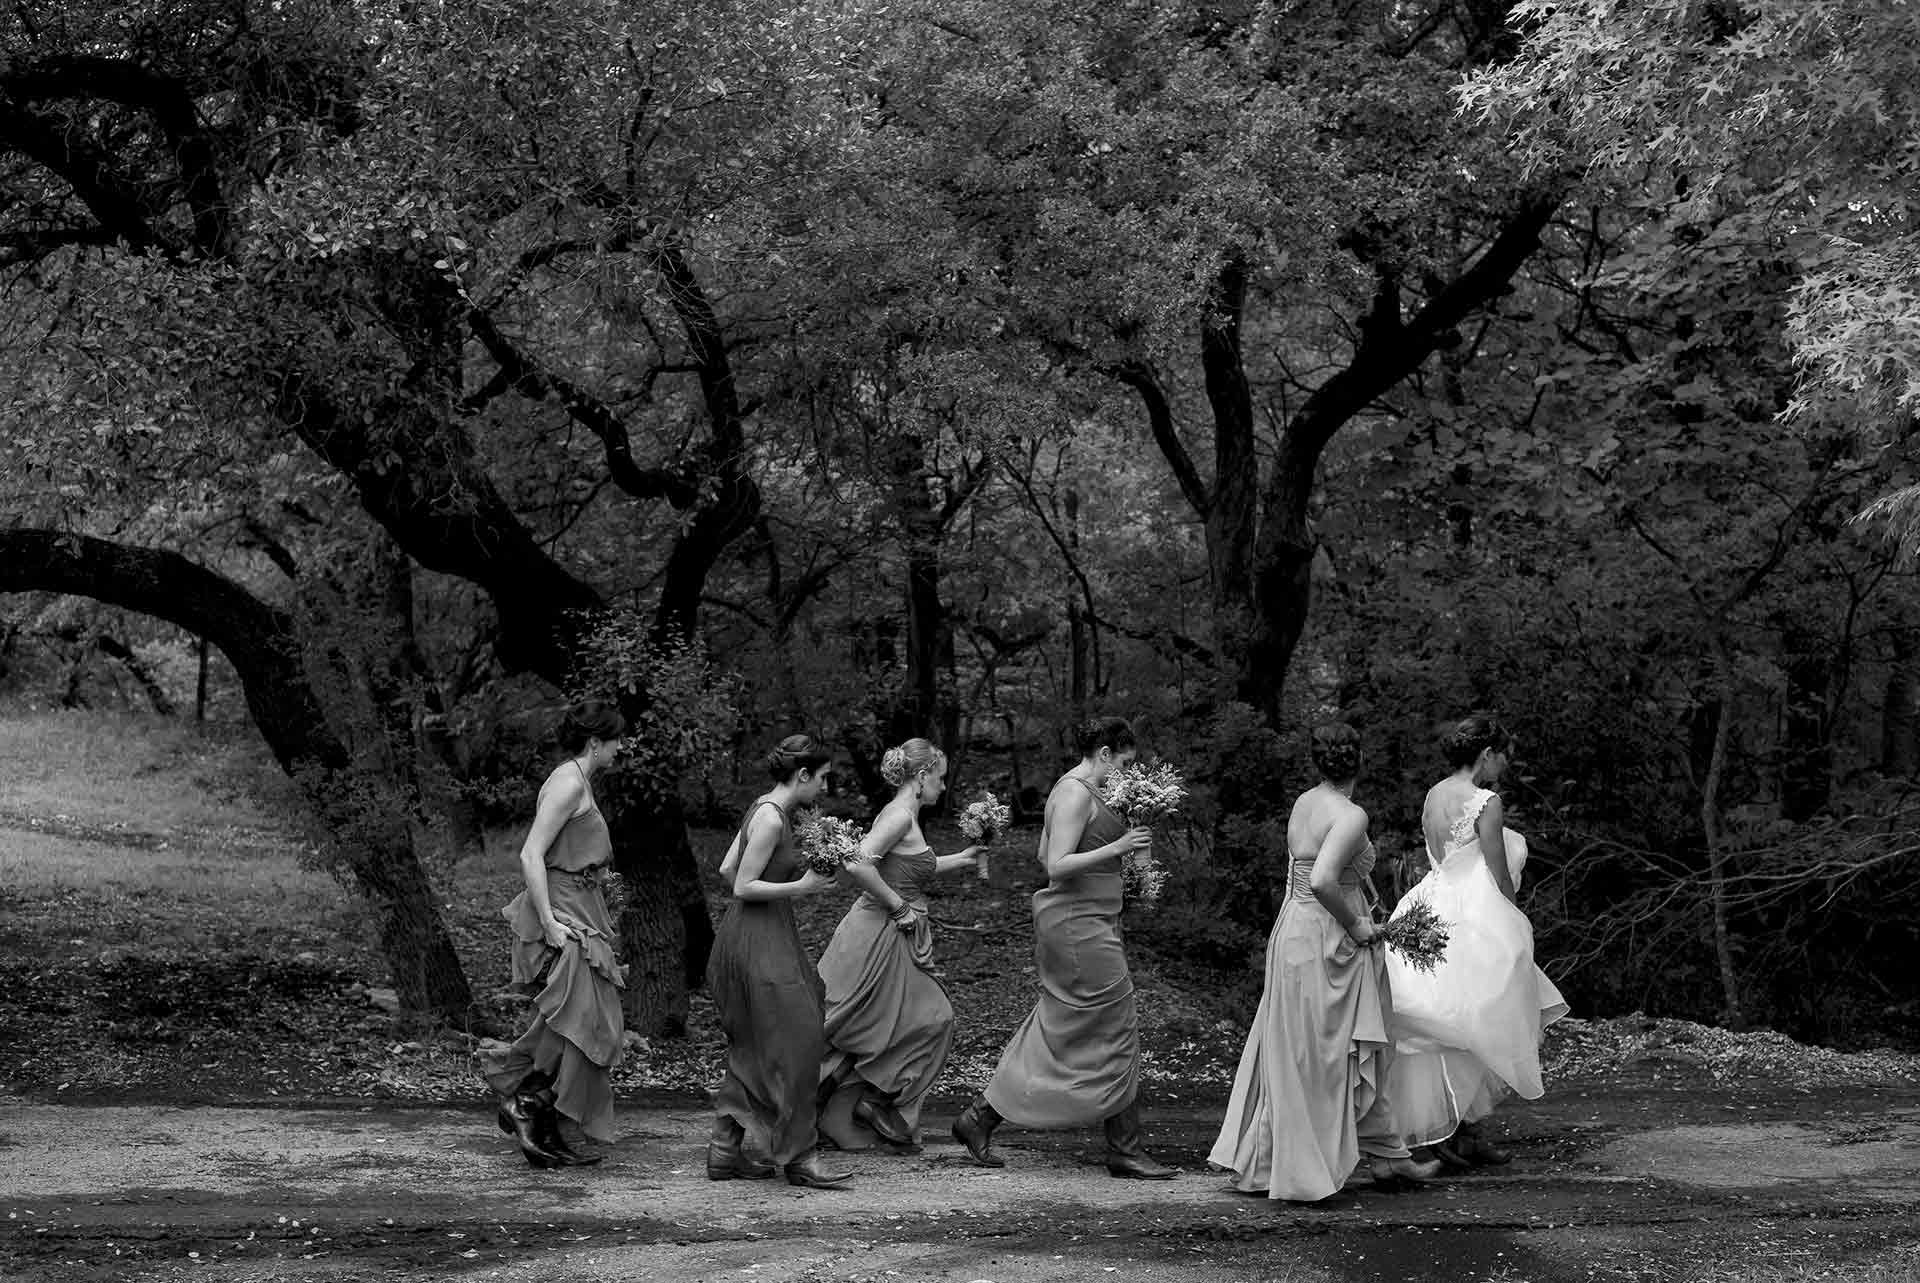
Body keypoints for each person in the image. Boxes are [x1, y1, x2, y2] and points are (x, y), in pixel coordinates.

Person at [1207, 722, 1441, 1200]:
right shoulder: (1351, 814)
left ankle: (1386, 1156)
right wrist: (1357, 926)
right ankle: (1302, 1167)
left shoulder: (1304, 802)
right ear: (1358, 760)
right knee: (1327, 1055)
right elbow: (1322, 880)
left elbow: (1302, 871)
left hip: (1294, 927)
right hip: (1327, 934)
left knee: (1313, 1048)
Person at [952, 717, 1177, 1180]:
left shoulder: (1080, 791)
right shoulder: (1075, 791)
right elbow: (1055, 865)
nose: (1127, 773)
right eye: (1125, 762)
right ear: (1105, 753)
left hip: (1089, 920)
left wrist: (1127, 876)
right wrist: (1117, 848)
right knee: (1119, 1023)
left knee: (1060, 1025)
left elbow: (1041, 853)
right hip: (1077, 927)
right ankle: (1124, 1150)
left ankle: (979, 1118)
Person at [1385, 714, 1569, 1166]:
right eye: (1501, 755)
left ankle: (1457, 1132)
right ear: (1486, 754)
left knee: (1445, 1017)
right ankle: (1451, 1132)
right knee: (1477, 1015)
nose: (1503, 764)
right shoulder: (1486, 801)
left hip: (1428, 903)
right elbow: (1496, 871)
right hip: (1470, 910)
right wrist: (1512, 916)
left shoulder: (1434, 795)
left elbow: (1439, 856)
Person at [816, 738, 987, 1152]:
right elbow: (857, 862)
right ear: (922, 775)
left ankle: (873, 1104)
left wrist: (961, 859)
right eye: (940, 778)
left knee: (917, 1021)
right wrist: (897, 908)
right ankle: (854, 1107)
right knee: (880, 1023)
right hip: (879, 933)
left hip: (899, 935)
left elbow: (908, 867)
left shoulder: (908, 816)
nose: (943, 788)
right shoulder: (897, 816)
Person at [480, 699, 629, 1169]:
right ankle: (526, 1105)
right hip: (564, 914)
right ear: (594, 742)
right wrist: (549, 924)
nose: (620, 748)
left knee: (579, 1022)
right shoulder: (568, 782)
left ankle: (538, 1120)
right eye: (615, 740)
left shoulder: (579, 780)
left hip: (582, 905)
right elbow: (530, 855)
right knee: (585, 1021)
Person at [705, 734, 854, 1189]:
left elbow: (728, 866)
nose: (824, 787)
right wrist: (801, 887)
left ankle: (725, 1148)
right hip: (758, 941)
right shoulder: (771, 819)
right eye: (822, 778)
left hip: (752, 934)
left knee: (758, 1045)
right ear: (803, 775)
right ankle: (799, 1157)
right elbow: (740, 884)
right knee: (801, 1041)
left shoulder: (763, 808)